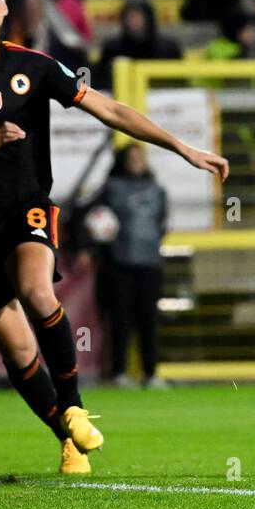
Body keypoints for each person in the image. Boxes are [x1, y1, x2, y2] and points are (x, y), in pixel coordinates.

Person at [0, 0, 228, 473]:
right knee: (16, 350)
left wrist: (182, 147)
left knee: (38, 291)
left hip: (25, 205)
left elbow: (112, 110)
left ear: (7, 6)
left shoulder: (35, 65)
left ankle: (74, 404)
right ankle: (66, 435)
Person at [89, 144, 169, 389]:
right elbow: (91, 215)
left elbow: (162, 222)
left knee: (148, 320)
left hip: (150, 264)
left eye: (139, 157)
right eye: (131, 157)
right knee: (120, 320)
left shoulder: (157, 189)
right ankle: (119, 373)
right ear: (123, 161)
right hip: (120, 264)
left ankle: (151, 373)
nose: (136, 161)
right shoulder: (112, 188)